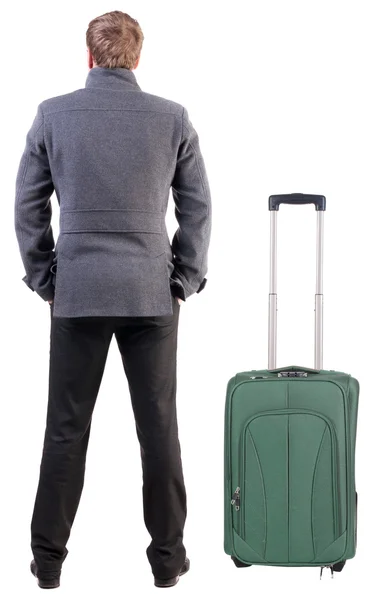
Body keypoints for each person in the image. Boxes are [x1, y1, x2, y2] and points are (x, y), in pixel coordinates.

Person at [14, 10, 211, 589]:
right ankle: (168, 563)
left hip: (76, 293)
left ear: (90, 57)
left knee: (65, 431)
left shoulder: (53, 115)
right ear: (137, 57)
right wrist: (185, 279)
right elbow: (198, 205)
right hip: (151, 294)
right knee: (159, 431)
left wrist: (45, 278)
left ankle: (48, 564)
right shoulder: (171, 117)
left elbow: (27, 205)